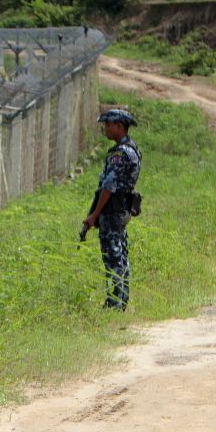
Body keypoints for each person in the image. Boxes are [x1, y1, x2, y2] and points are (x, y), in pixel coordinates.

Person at [82, 109, 142, 311]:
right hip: (121, 209)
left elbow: (108, 187)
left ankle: (115, 303)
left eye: (108, 124)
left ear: (119, 126)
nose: (106, 128)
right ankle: (120, 299)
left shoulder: (120, 153)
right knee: (120, 255)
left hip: (112, 210)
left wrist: (94, 215)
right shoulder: (131, 149)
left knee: (113, 256)